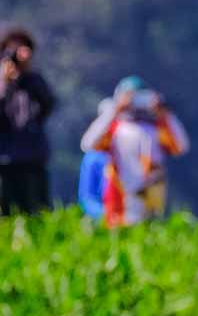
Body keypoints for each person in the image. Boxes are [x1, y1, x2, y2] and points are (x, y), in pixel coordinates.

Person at [80, 76, 189, 227]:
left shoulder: (157, 129)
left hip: (151, 200)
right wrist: (114, 110)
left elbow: (181, 146)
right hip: (120, 201)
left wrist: (165, 113)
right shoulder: (114, 128)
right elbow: (88, 144)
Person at [0, 27, 56, 215]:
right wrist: (5, 85)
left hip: (32, 159)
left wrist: (29, 80)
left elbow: (48, 107)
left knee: (37, 214)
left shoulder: (34, 81)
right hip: (0, 160)